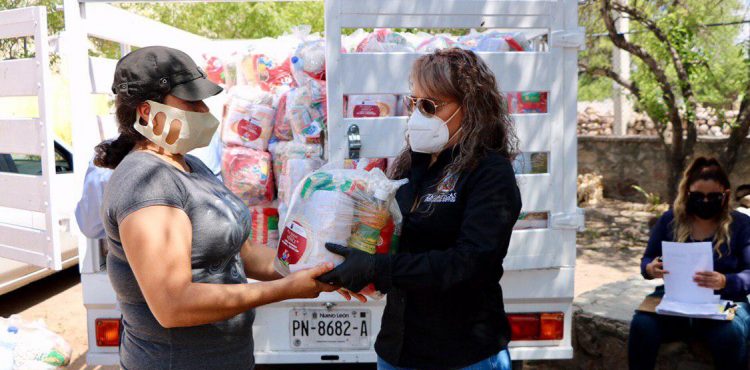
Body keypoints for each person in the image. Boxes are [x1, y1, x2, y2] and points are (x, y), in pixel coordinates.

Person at [95, 46, 336, 370]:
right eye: (191, 102)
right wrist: (286, 289)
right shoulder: (146, 182)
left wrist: (317, 268)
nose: (204, 110)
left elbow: (245, 254)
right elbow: (173, 305)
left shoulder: (190, 165)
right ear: (146, 113)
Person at [319, 48, 522, 370]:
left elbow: (472, 262)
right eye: (413, 103)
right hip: (398, 349)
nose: (417, 115)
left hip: (463, 352)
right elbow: (396, 243)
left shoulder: (489, 172)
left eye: (430, 105)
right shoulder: (412, 165)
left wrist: (378, 268)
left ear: (471, 107)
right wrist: (356, 264)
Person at [628, 157, 750, 370]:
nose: (705, 201)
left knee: (729, 336)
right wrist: (650, 268)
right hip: (676, 300)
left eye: (713, 196)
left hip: (724, 303)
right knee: (642, 326)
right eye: (698, 196)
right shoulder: (670, 220)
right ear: (687, 194)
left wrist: (724, 281)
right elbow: (647, 260)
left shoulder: (741, 224)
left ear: (726, 195)